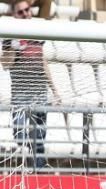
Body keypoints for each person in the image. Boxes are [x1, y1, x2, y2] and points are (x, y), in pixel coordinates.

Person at [2, 0, 49, 170]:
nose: (25, 14)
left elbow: (43, 61)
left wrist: (55, 89)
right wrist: (15, 49)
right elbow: (5, 64)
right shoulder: (9, 35)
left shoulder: (37, 32)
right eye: (20, 12)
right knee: (20, 135)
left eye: (27, 10)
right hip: (20, 94)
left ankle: (39, 172)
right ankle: (25, 165)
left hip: (40, 92)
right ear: (14, 15)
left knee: (39, 139)